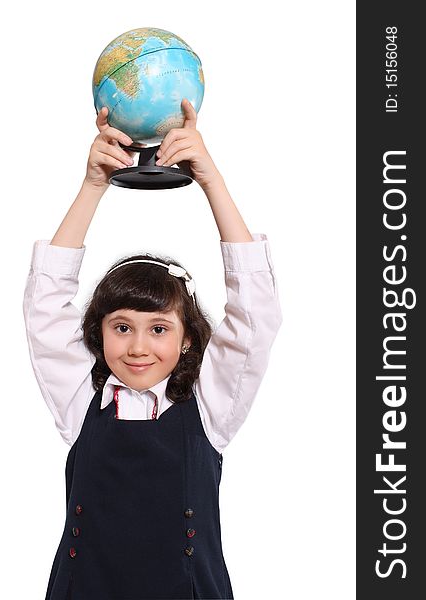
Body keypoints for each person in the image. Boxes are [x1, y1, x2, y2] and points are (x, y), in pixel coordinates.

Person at [23, 98, 282, 600]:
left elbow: (256, 314)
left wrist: (210, 179)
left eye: (159, 329)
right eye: (122, 327)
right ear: (97, 333)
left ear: (188, 339)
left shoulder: (210, 409)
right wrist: (94, 185)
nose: (139, 347)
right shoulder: (81, 403)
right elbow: (43, 304)